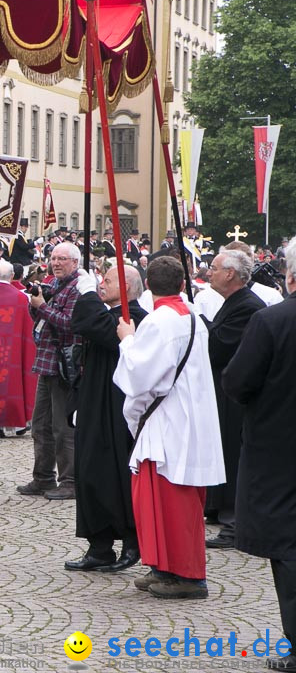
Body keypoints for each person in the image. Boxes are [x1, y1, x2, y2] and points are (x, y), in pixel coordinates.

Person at [113, 256, 225, 599]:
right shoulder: (193, 316)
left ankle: (188, 576)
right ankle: (162, 566)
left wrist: (127, 339)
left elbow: (140, 376)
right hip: (188, 416)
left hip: (169, 421)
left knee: (173, 502)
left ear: (148, 285)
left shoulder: (159, 322)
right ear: (181, 284)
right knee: (157, 501)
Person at [222, 239, 296, 671]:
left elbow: (237, 382)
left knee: (288, 547)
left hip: (279, 450)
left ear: (289, 274)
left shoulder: (272, 321)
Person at [65, 265, 147, 572]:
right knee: (90, 473)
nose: (101, 284)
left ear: (126, 288)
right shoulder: (110, 314)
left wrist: (87, 295)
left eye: (108, 280)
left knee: (116, 475)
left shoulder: (134, 317)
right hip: (94, 404)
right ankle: (99, 546)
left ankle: (130, 540)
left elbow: (95, 324)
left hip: (117, 409)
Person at [200, 249, 264, 548]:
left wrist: (199, 323)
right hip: (226, 393)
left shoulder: (247, 307)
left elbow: (219, 345)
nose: (208, 273)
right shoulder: (235, 303)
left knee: (232, 454)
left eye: (213, 268)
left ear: (230, 274)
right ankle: (220, 510)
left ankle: (233, 522)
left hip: (236, 397)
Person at [17, 242, 82, 500]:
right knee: (40, 424)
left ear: (75, 263)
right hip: (46, 362)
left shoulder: (77, 289)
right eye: (53, 258)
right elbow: (44, 321)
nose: (56, 263)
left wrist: (42, 306)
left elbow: (69, 324)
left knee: (62, 427)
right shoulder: (54, 284)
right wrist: (36, 306)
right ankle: (43, 477)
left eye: (62, 259)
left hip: (63, 365)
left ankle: (69, 480)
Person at [0, 260, 36, 439]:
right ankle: (12, 421)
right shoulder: (21, 298)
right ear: (12, 276)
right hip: (12, 354)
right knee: (12, 384)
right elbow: (28, 332)